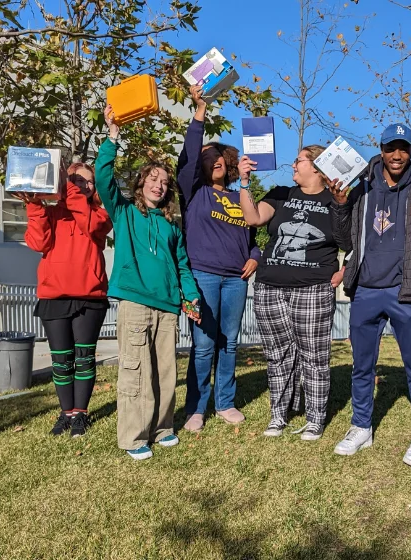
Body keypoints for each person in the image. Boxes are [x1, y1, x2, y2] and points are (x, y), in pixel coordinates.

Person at [329, 123, 411, 467]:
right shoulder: (361, 186)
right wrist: (339, 205)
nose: (397, 156)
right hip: (365, 289)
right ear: (380, 148)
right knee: (362, 366)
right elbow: (343, 240)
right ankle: (361, 426)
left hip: (405, 290)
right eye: (390, 148)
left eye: (404, 149)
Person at [97, 105, 201, 461]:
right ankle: (133, 436)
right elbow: (102, 179)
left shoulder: (173, 223)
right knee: (136, 370)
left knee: (166, 371)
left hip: (168, 307)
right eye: (153, 179)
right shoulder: (125, 212)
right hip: (136, 303)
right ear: (141, 183)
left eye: (164, 181)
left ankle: (163, 427)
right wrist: (112, 136)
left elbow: (182, 264)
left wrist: (190, 298)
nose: (159, 185)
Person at [238, 145, 345, 441]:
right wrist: (245, 182)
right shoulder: (281, 193)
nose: (293, 165)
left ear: (316, 166)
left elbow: (352, 237)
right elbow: (254, 218)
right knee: (278, 355)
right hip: (270, 286)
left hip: (313, 288)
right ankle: (278, 415)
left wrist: (344, 270)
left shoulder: (334, 199)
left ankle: (314, 418)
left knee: (313, 356)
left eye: (298, 160)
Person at [176, 85, 261, 432]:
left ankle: (225, 402)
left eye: (221, 158)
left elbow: (254, 232)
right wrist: (201, 110)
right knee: (203, 344)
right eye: (209, 158)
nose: (216, 162)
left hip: (236, 279)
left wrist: (255, 255)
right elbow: (190, 150)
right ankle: (196, 407)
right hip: (204, 276)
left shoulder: (238, 194)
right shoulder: (193, 192)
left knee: (229, 342)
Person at [21, 162, 112, 437]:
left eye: (87, 181)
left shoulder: (100, 213)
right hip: (54, 296)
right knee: (61, 360)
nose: (82, 185)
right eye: (75, 180)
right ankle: (66, 413)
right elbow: (38, 243)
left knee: (84, 358)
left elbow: (89, 221)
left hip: (89, 297)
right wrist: (34, 206)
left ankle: (81, 414)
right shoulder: (51, 213)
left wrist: (67, 186)